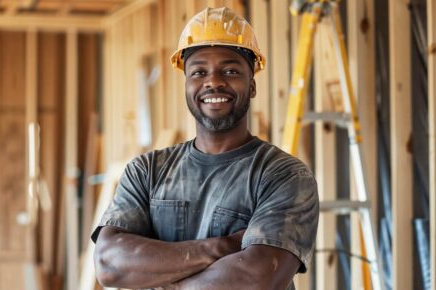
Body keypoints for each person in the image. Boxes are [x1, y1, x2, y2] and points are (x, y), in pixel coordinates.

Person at [91, 7, 319, 290]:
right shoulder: (146, 172)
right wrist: (222, 247)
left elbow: (258, 277)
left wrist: (166, 282)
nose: (213, 81)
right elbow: (109, 264)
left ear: (252, 86)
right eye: (199, 72)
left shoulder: (284, 175)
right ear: (187, 84)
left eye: (231, 70)